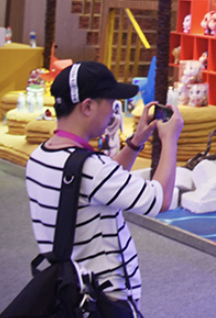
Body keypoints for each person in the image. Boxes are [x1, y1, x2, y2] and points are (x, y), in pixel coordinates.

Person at [25, 61, 184, 313]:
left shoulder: (40, 157)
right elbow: (160, 199)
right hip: (107, 300)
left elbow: (98, 184)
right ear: (88, 106)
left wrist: (136, 142)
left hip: (71, 292)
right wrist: (170, 141)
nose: (113, 111)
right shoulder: (93, 169)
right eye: (110, 102)